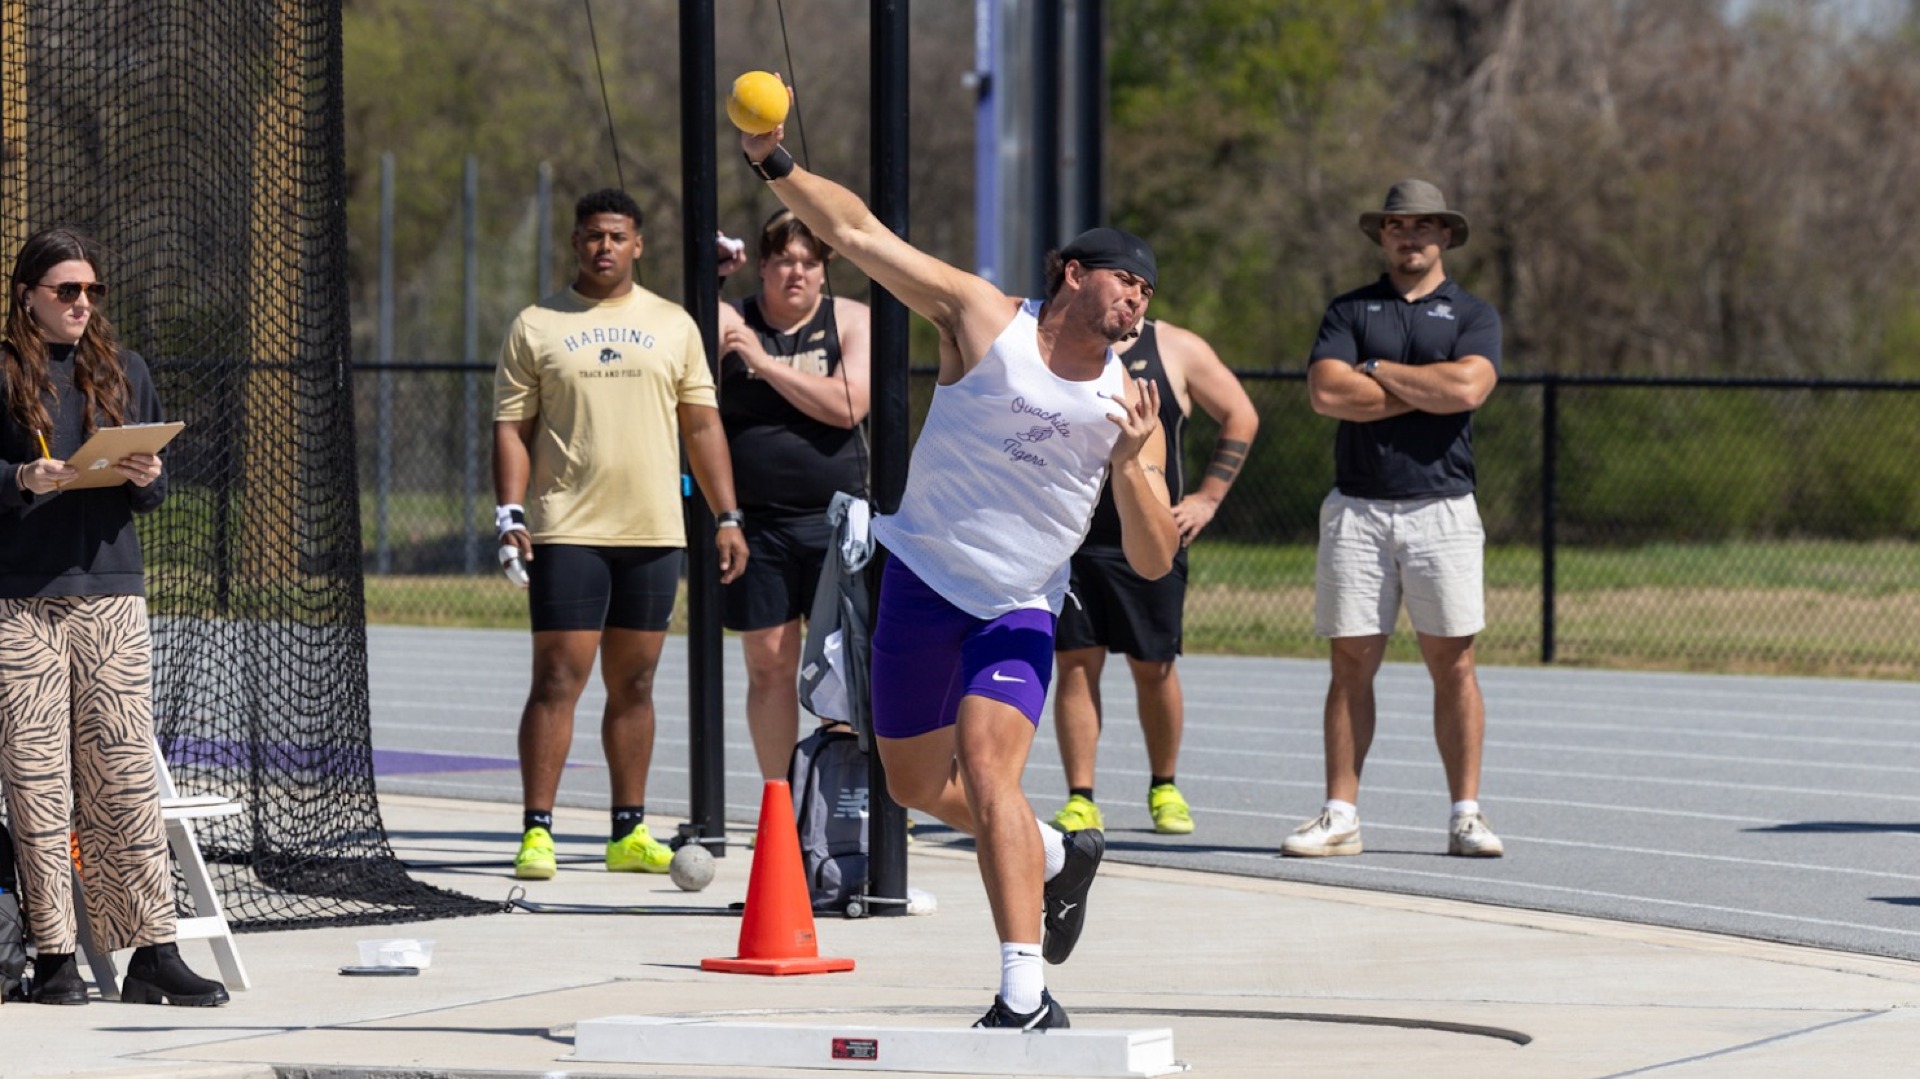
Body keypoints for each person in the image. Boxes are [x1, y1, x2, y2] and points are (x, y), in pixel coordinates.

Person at [741, 112, 1179, 1031]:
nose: (1137, 300)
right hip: (921, 582)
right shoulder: (983, 318)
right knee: (909, 783)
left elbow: (1152, 558)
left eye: (1147, 291)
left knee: (988, 772)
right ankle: (1054, 853)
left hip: (1019, 605)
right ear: (1074, 273)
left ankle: (1025, 993)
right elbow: (860, 235)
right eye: (1125, 280)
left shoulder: (1129, 401)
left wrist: (1133, 463)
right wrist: (773, 160)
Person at [0, 226, 229, 1006]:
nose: (82, 304)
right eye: (67, 290)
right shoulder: (3, 370)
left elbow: (151, 494)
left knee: (123, 777)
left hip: (111, 596)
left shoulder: (123, 369)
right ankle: (54, 959)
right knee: (37, 781)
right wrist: (20, 477)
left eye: (92, 291)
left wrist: (146, 472)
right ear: (27, 294)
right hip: (21, 601)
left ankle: (152, 952)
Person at [493, 189, 748, 881]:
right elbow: (512, 429)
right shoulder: (537, 324)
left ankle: (627, 832)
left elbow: (703, 426)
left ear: (638, 245)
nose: (604, 246)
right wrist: (510, 513)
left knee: (634, 682)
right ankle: (538, 830)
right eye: (592, 235)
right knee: (557, 678)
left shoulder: (673, 324)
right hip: (567, 530)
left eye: (616, 236)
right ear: (576, 242)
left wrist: (727, 515)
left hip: (653, 530)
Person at [1284, 179, 1504, 860]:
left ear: (1446, 235)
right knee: (1350, 663)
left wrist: (1376, 371)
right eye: (1398, 225)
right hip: (1357, 508)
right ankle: (1340, 814)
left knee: (1455, 663)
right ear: (1381, 235)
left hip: (1444, 508)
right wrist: (1427, 386)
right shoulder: (1349, 309)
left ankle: (1466, 815)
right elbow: (1327, 392)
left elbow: (1469, 387)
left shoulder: (1473, 313)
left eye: (1425, 225)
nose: (1411, 236)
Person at [1050, 320, 1258, 836]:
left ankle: (1165, 786)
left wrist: (1209, 497)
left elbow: (1241, 414)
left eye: (1138, 286)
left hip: (1149, 535)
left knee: (1154, 666)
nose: (1128, 294)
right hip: (1074, 538)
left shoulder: (1176, 347)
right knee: (1075, 664)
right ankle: (1080, 798)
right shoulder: (1058, 341)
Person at [715, 209, 871, 781]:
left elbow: (848, 405)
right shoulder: (731, 317)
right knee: (769, 665)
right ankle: (779, 799)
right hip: (758, 523)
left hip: (837, 521)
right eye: (784, 261)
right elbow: (689, 338)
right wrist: (711, 275)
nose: (796, 273)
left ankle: (846, 796)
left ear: (825, 270)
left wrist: (762, 363)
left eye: (809, 262)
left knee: (845, 665)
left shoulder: (850, 318)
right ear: (762, 266)